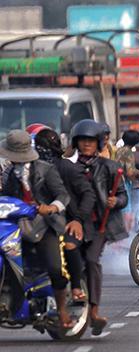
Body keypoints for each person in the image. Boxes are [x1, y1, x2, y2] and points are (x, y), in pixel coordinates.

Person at [0, 130, 73, 328]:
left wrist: (50, 208)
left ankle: (62, 311)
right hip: (15, 226)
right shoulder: (7, 172)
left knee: (55, 269)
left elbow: (63, 195)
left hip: (44, 226)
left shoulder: (46, 169)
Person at [68, 119, 128, 333]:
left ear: (98, 144)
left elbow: (123, 197)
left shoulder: (111, 167)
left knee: (92, 260)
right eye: (82, 140)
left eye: (91, 141)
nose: (86, 145)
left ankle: (93, 311)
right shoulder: (69, 168)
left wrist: (116, 202)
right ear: (76, 142)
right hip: (75, 224)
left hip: (99, 226)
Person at [30, 125, 96, 304]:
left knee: (68, 245)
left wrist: (78, 220)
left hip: (70, 221)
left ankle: (75, 287)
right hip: (39, 222)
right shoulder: (29, 169)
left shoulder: (68, 168)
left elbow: (89, 194)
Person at [114, 130, 139, 232]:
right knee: (127, 209)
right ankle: (127, 233)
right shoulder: (129, 153)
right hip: (123, 182)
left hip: (116, 181)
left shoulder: (119, 150)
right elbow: (129, 172)